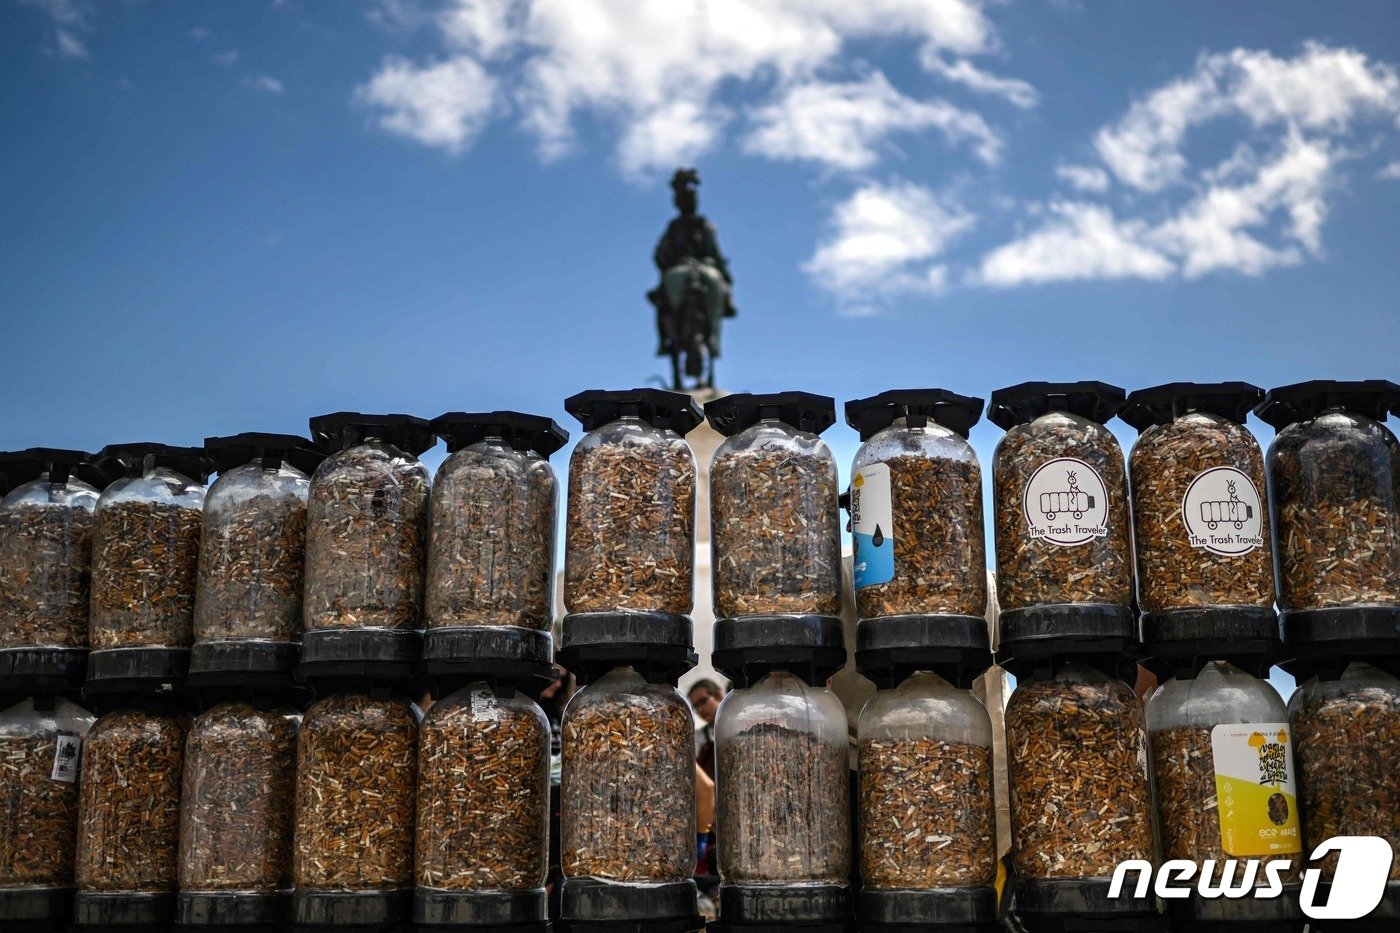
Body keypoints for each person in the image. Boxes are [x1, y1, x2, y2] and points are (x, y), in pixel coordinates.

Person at [687, 679, 723, 780]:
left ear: (719, 696)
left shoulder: (740, 727)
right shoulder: (699, 738)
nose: (700, 710)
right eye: (696, 706)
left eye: (703, 701)